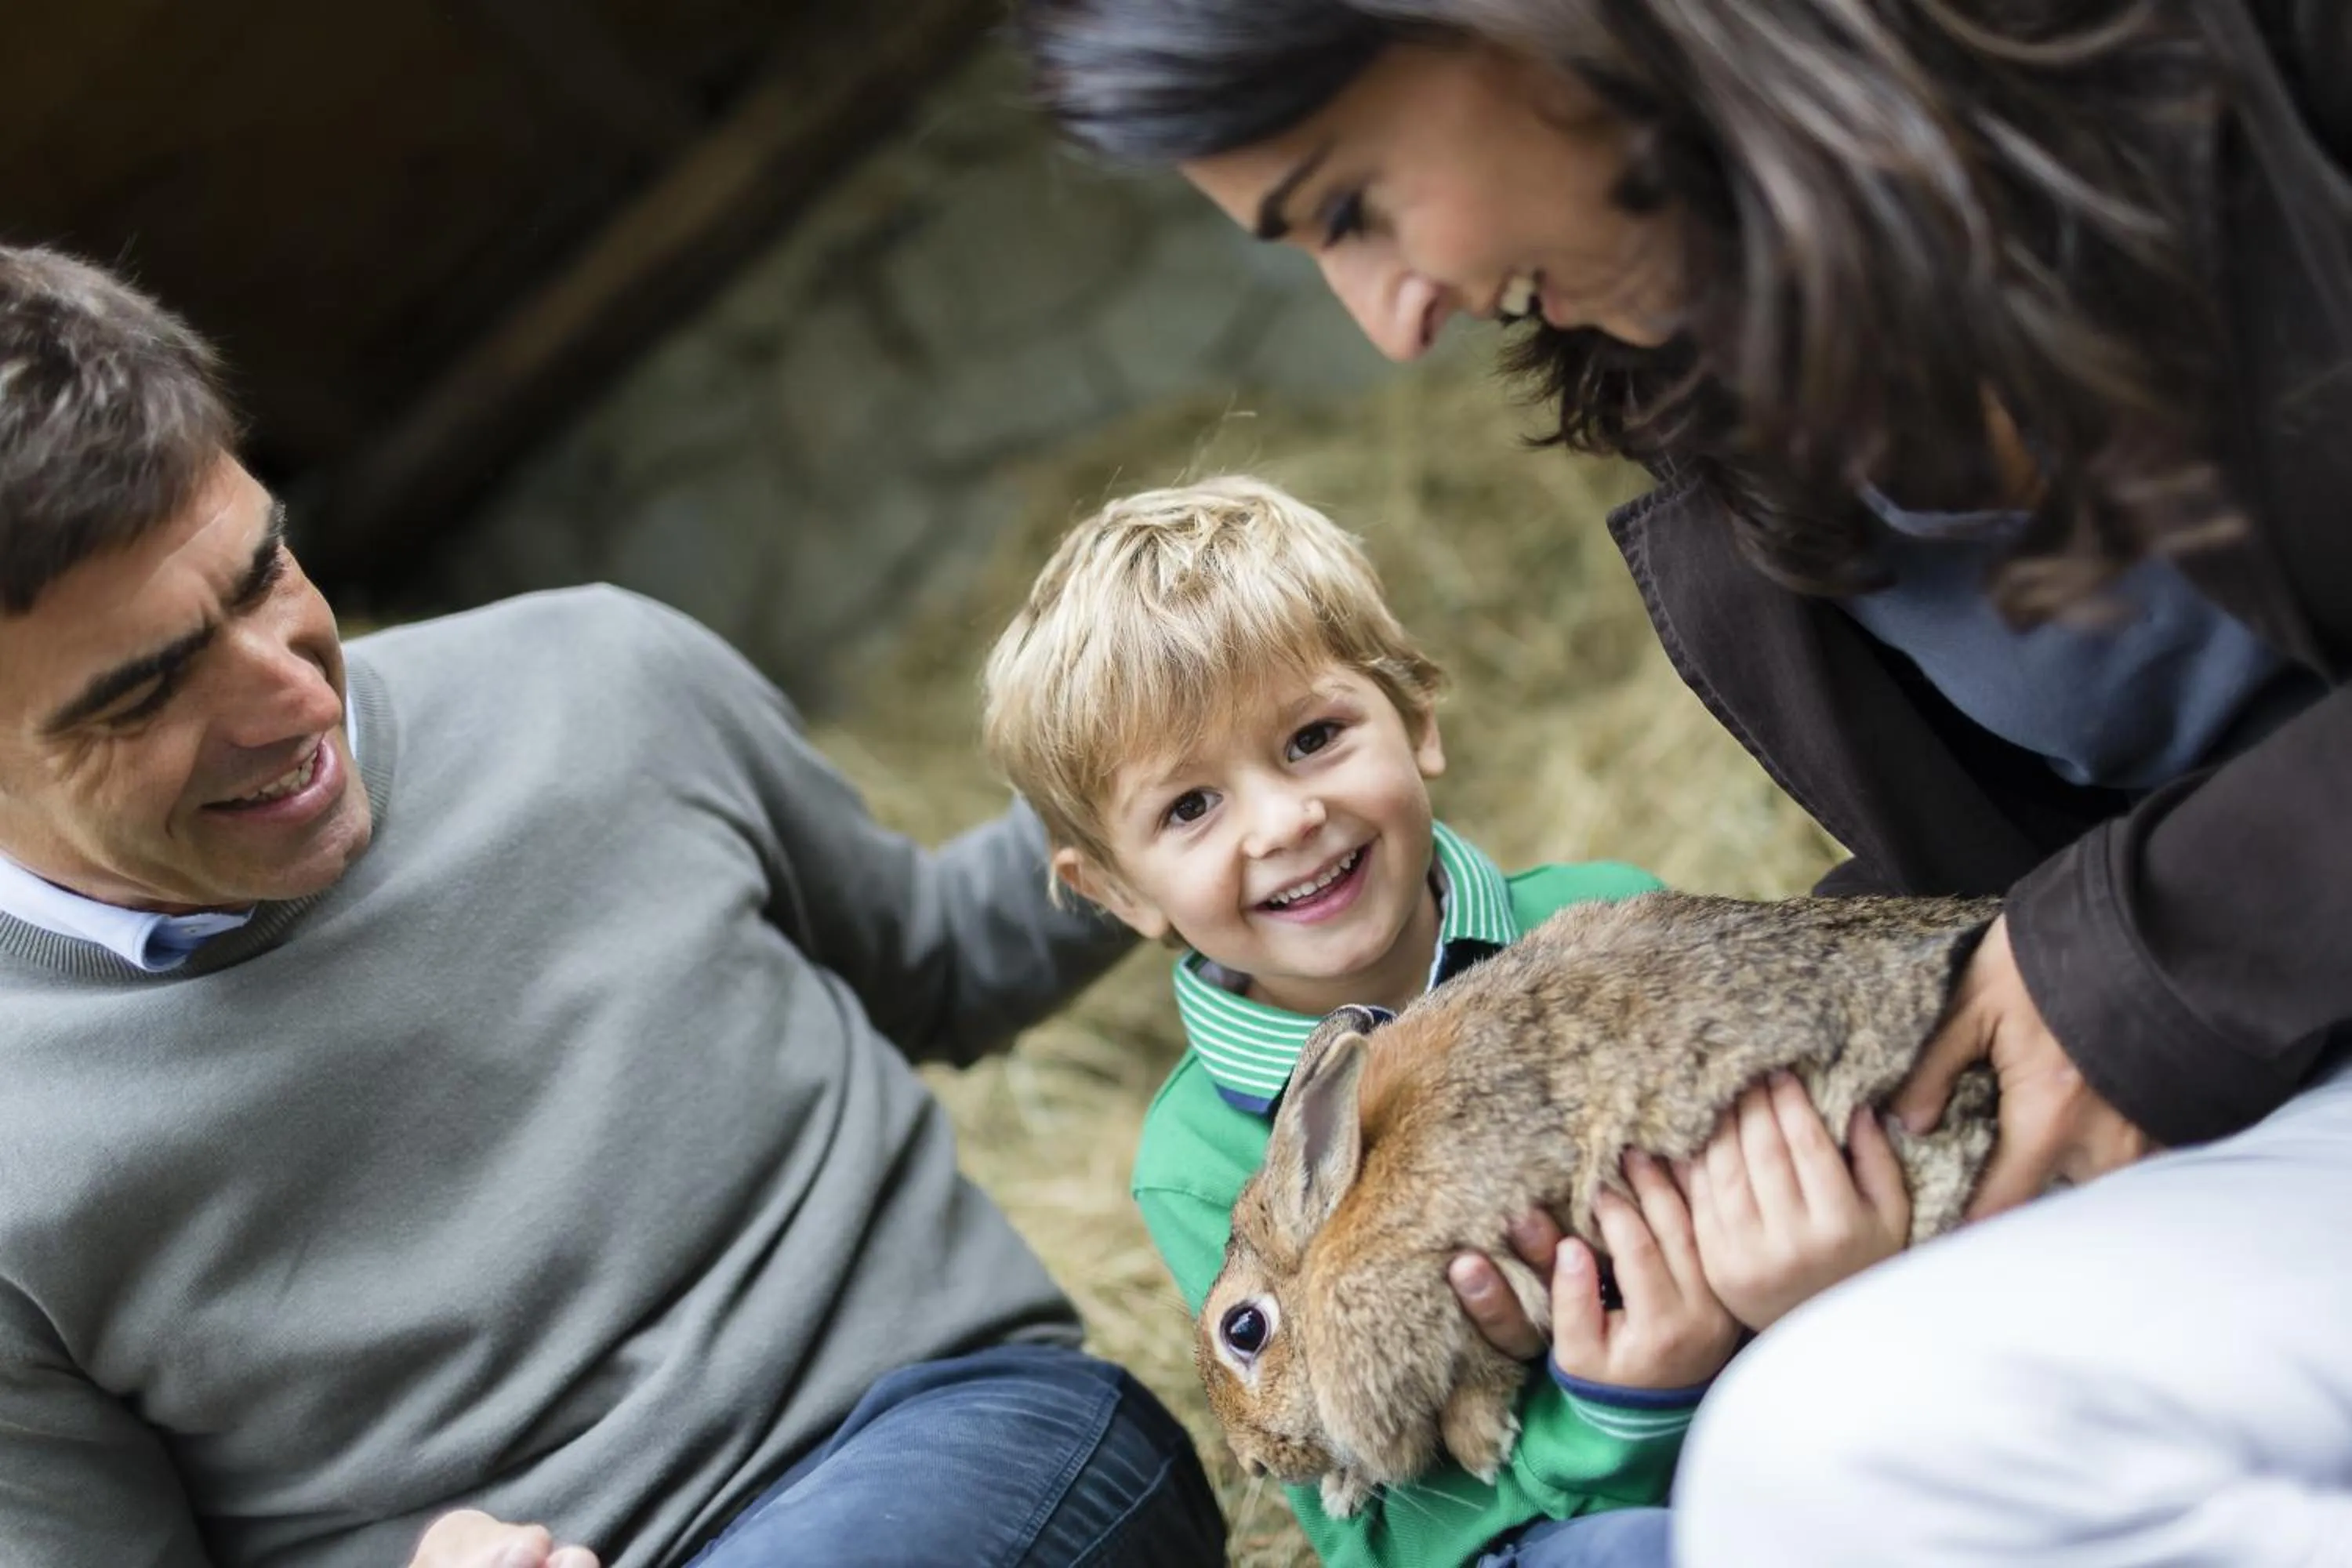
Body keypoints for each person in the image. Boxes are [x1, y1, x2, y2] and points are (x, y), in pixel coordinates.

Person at [1005, 1, 2352, 1563]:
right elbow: (2000, 893)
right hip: (2269, 1081)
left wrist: (2111, 965)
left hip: (2259, 1016)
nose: (1390, 321)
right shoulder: (1721, 424)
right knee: (1809, 1467)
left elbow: (2083, 947)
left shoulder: (2228, 78)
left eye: (1353, 203)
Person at [0, 242, 1227, 1568]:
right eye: (145, 693)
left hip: (953, 1449)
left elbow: (934, 963)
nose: (296, 698)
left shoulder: (597, 677)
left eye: (266, 575)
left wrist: (1200, 763)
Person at [978, 476, 1915, 1566]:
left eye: (1313, 737)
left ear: (1417, 715)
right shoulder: (1197, 1161)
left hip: (1787, 1362)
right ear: (1117, 893)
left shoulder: (1595, 916)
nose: (1286, 820)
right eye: (1191, 807)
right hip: (1562, 1517)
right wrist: (1610, 1415)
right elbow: (1361, 1525)